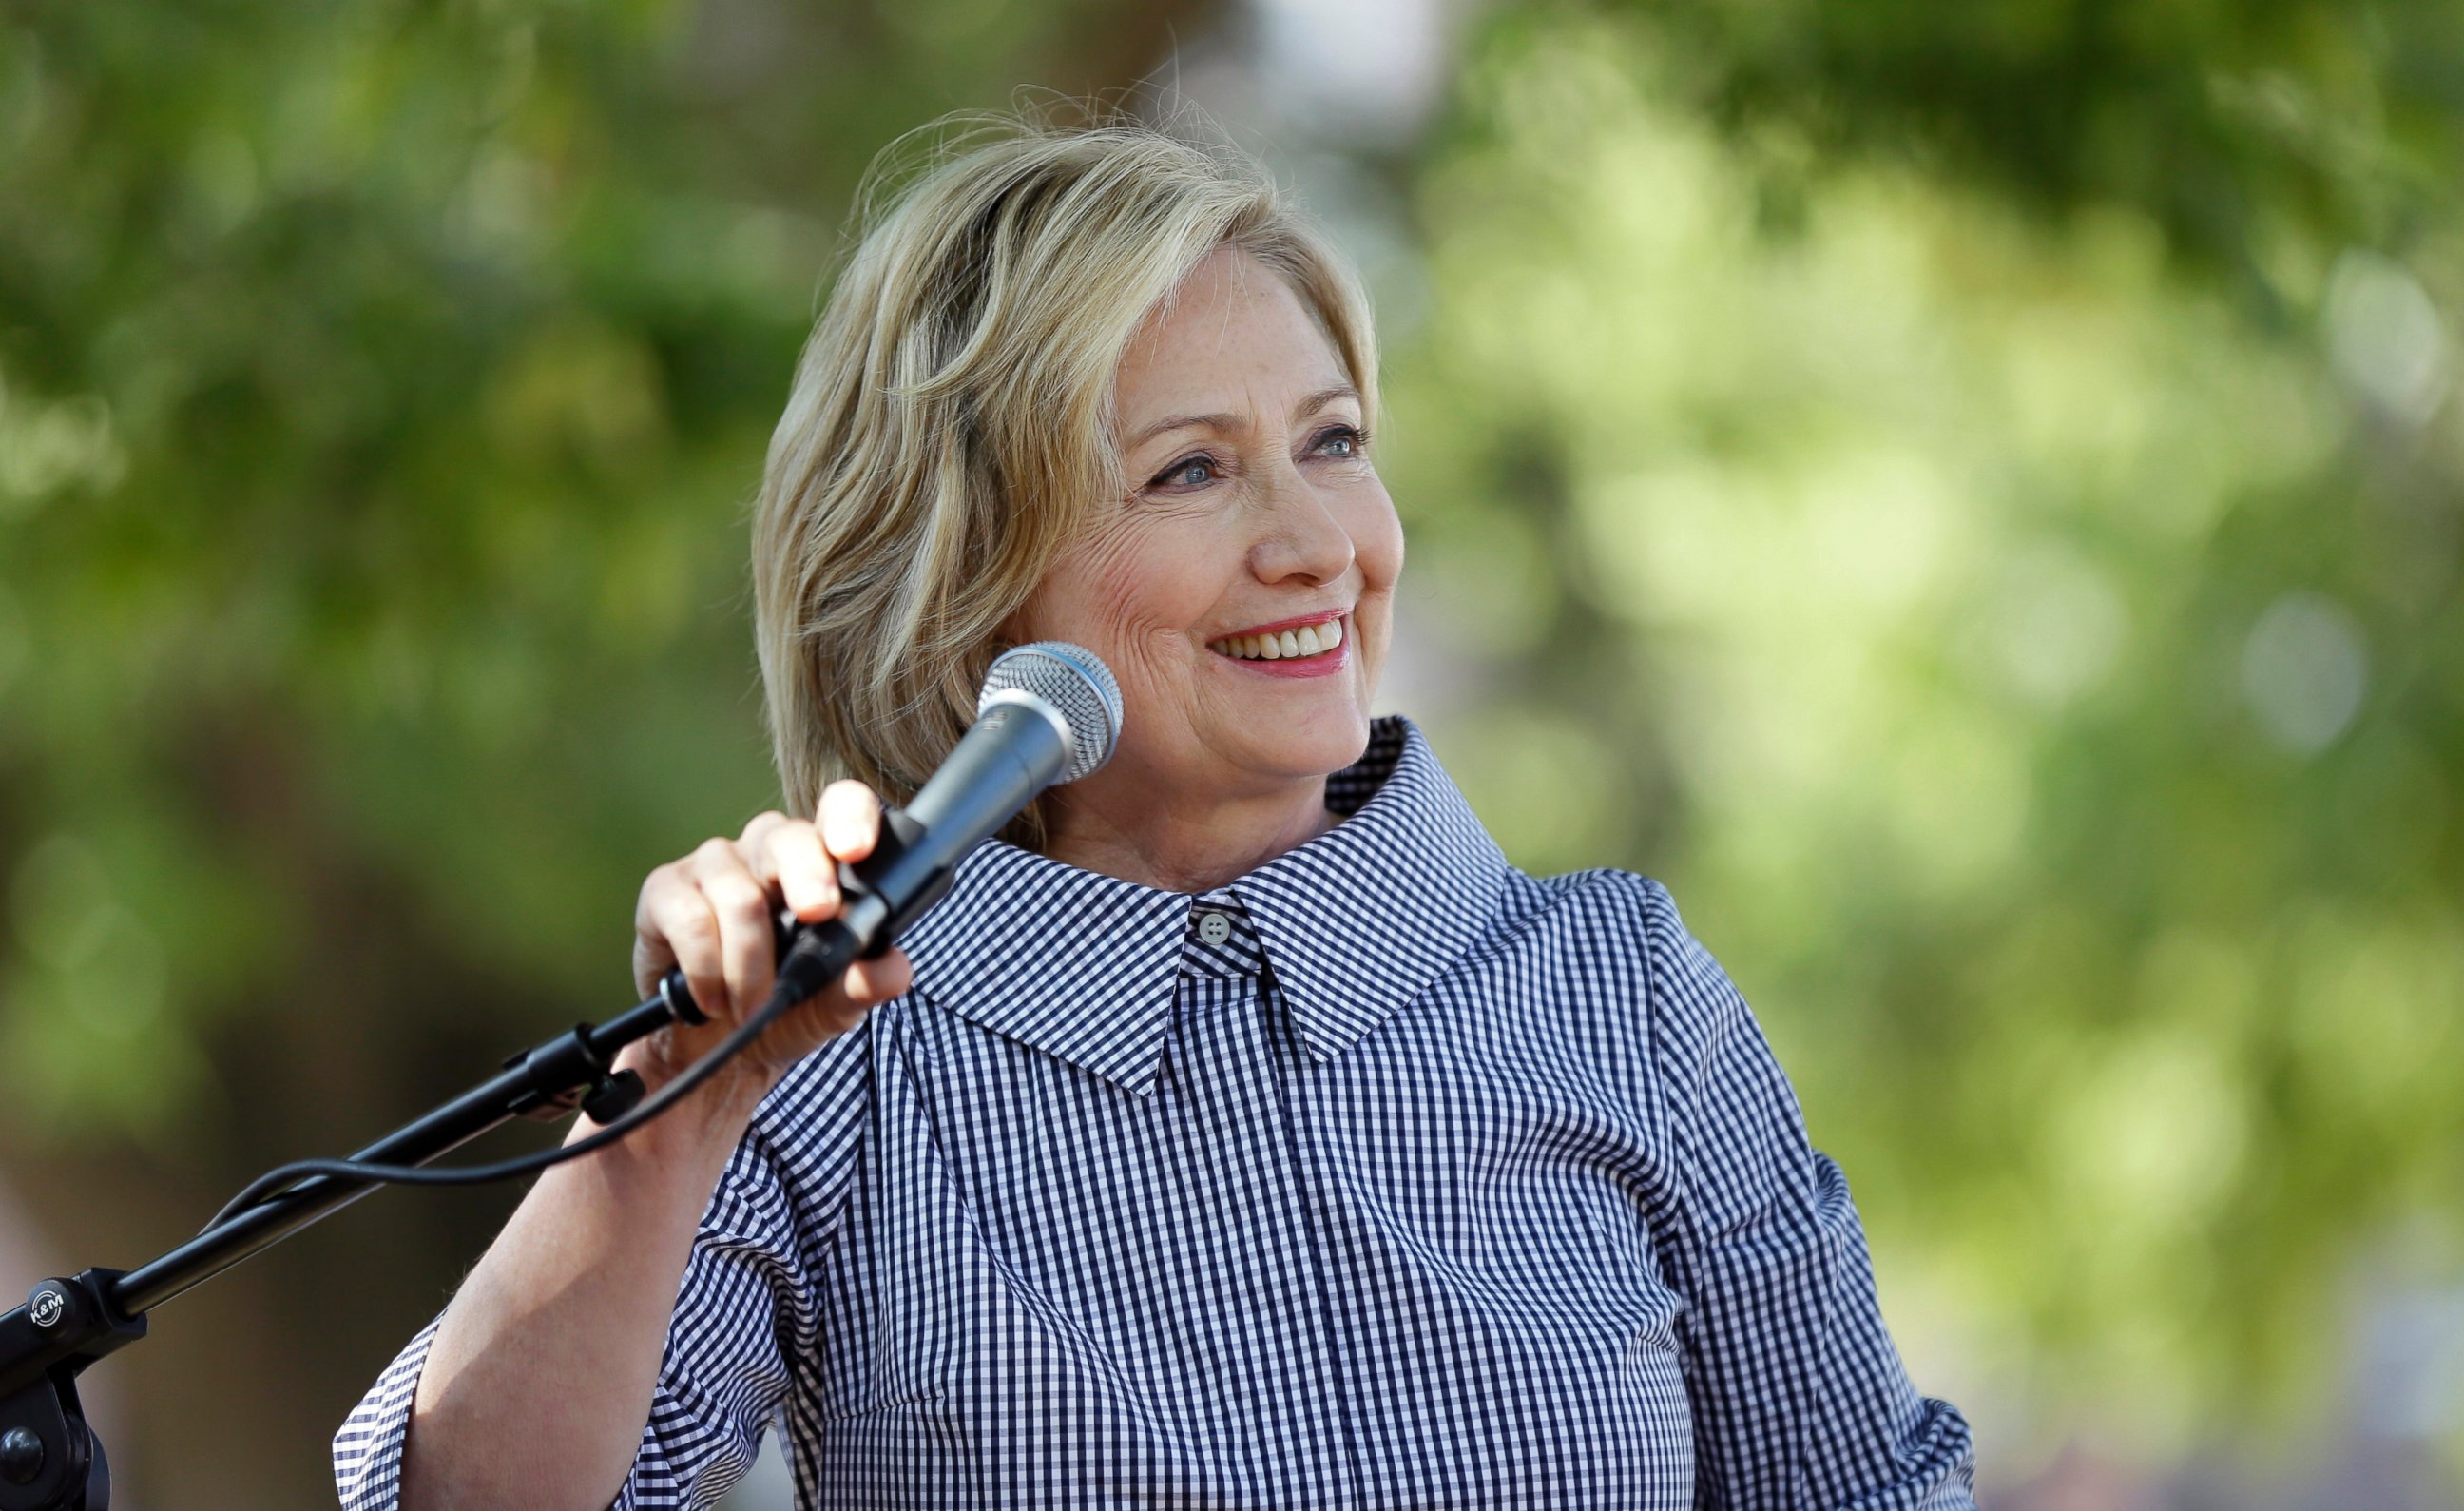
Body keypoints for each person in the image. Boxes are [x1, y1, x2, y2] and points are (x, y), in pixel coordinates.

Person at [334, 107, 1978, 1510]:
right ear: (967, 585)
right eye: (1193, 470)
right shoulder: (826, 1067)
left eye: (1332, 442)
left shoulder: (1621, 994)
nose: (1316, 540)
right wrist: (670, 1110)